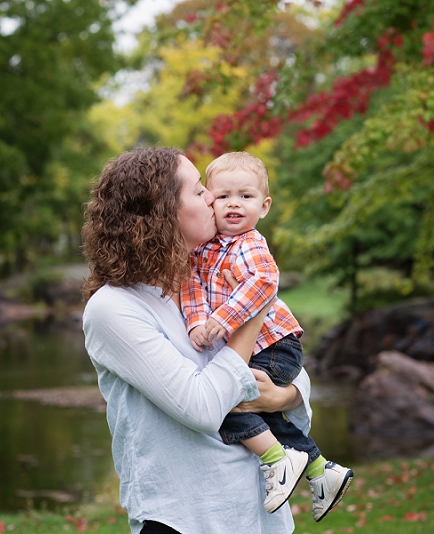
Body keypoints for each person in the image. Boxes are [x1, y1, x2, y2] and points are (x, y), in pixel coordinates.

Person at [81, 147, 314, 534]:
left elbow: (287, 363)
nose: (212, 197)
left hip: (260, 515)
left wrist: (282, 397)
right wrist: (252, 316)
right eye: (197, 190)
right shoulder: (115, 308)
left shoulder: (216, 278)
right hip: (185, 517)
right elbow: (202, 407)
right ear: (160, 211)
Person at [181, 151, 354, 522]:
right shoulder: (202, 251)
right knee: (255, 407)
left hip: (275, 343)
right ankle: (322, 469)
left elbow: (264, 282)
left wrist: (224, 320)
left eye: (245, 196)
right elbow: (192, 288)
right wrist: (197, 323)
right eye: (223, 196)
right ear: (209, 201)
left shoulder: (250, 244)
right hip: (258, 345)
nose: (234, 204)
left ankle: (278, 459)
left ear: (265, 205)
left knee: (228, 405)